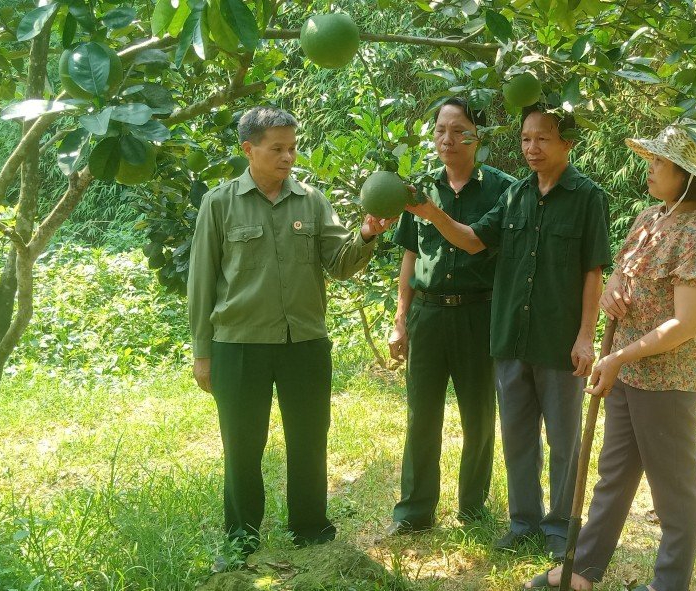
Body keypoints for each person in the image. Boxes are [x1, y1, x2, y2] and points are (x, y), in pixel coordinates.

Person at [525, 120, 696, 591]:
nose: (651, 167)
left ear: (687, 175)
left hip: (666, 381)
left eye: (661, 162)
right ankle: (583, 568)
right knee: (613, 475)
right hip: (627, 374)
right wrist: (613, 291)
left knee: (673, 491)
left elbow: (686, 325)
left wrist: (620, 357)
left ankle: (669, 584)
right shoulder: (650, 219)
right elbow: (621, 273)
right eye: (654, 158)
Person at [404, 103, 611, 560]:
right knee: (517, 436)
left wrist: (585, 336)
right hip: (510, 336)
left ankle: (560, 527)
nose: (531, 148)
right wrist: (428, 212)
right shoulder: (514, 195)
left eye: (543, 139)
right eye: (525, 139)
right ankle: (524, 522)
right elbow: (473, 239)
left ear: (567, 144)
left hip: (558, 339)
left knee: (563, 439)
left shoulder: (587, 197)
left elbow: (593, 271)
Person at [187, 106, 395, 557]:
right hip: (239, 345)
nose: (288, 157)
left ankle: (311, 529)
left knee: (309, 439)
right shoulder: (218, 204)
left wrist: (365, 235)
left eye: (292, 148)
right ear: (249, 149)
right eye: (277, 148)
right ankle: (242, 536)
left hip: (305, 342)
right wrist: (202, 353)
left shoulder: (312, 202)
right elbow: (201, 281)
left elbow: (339, 265)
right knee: (242, 447)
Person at [386, 97, 516, 534]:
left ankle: (473, 508)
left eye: (459, 129)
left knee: (479, 415)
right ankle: (414, 512)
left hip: (480, 314)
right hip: (428, 314)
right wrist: (400, 318)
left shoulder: (504, 189)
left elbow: (487, 247)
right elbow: (410, 255)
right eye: (441, 129)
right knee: (421, 414)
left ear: (478, 137)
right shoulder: (419, 188)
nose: (448, 139)